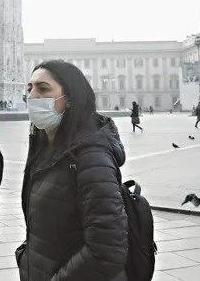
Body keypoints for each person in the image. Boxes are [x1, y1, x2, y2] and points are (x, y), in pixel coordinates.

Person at [16, 60, 128, 280]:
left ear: (69, 99)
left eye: (43, 88)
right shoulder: (46, 148)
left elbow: (107, 250)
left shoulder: (91, 156)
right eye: (29, 88)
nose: (32, 95)